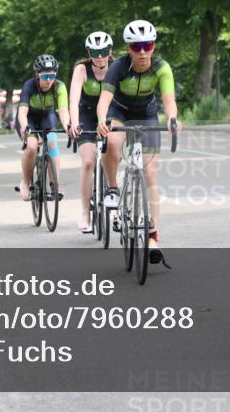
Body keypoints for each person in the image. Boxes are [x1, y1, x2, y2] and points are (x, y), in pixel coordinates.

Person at [96, 20, 180, 266]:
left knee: (151, 173)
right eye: (136, 47)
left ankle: (153, 236)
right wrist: (102, 119)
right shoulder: (118, 67)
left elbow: (169, 101)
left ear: (153, 46)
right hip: (118, 111)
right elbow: (104, 99)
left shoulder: (162, 68)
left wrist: (173, 118)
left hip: (147, 113)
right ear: (128, 48)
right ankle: (112, 188)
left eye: (148, 45)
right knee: (112, 143)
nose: (142, 52)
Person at [68, 31, 114, 234]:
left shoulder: (117, 66)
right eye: (95, 52)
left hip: (110, 114)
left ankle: (114, 193)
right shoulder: (81, 69)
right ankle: (86, 214)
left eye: (104, 52)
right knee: (88, 161)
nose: (100, 56)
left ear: (110, 51)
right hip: (87, 115)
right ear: (89, 53)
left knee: (112, 154)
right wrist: (74, 124)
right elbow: (73, 99)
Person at [15, 54, 71, 201]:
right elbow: (22, 112)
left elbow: (64, 111)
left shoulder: (59, 87)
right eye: (45, 76)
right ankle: (26, 182)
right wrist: (25, 127)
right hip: (29, 118)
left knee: (52, 143)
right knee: (32, 146)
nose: (48, 80)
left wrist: (67, 125)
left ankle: (55, 185)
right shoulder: (29, 86)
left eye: (52, 75)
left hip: (47, 116)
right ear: (37, 75)